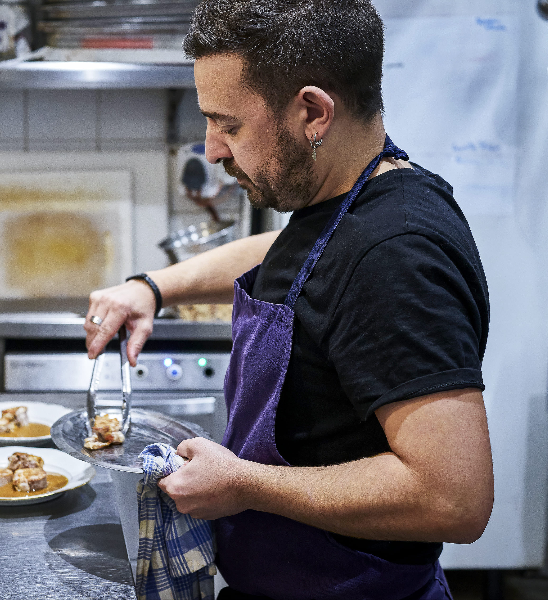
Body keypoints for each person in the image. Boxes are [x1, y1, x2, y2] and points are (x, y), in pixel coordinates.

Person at [84, 1, 493, 598]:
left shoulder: (396, 257)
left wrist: (247, 485)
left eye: (229, 124)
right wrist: (152, 288)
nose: (214, 151)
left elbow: (454, 497)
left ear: (313, 112)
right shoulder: (350, 201)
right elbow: (282, 252)